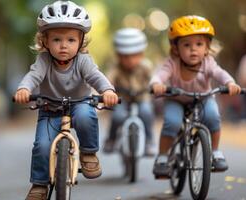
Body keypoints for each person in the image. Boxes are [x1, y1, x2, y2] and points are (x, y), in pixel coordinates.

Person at [13, 1, 118, 199]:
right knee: (42, 146)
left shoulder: (83, 61)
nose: (63, 45)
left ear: (81, 41)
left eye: (70, 40)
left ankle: (88, 153)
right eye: (56, 40)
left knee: (86, 116)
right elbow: (34, 76)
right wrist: (24, 88)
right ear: (45, 41)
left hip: (80, 104)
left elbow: (96, 76)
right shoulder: (44, 60)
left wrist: (108, 90)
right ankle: (40, 185)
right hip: (49, 107)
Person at [150, 15, 241, 177]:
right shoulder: (172, 63)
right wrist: (157, 84)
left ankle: (216, 152)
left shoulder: (209, 62)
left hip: (203, 98)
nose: (193, 49)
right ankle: (163, 157)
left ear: (207, 48)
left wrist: (230, 83)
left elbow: (220, 73)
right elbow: (160, 75)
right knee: (172, 122)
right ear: (176, 48)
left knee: (213, 117)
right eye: (187, 45)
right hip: (176, 99)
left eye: (199, 44)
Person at [103, 28, 156, 156]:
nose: (130, 60)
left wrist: (155, 86)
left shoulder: (146, 66)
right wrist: (107, 89)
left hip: (141, 98)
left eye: (135, 55)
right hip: (123, 99)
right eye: (125, 56)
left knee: (147, 113)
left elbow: (154, 79)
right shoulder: (115, 67)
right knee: (117, 116)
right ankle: (111, 139)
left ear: (142, 54)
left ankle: (149, 141)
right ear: (118, 55)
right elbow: (108, 79)